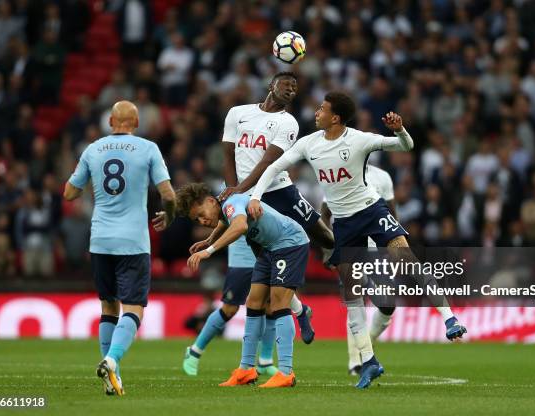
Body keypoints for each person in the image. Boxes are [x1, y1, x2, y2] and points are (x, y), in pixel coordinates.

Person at [248, 91, 467, 388]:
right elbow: (274, 167)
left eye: (322, 109)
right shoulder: (309, 144)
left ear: (335, 117)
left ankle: (449, 318)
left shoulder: (359, 140)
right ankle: (368, 361)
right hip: (345, 225)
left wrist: (399, 129)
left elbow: (406, 145)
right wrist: (257, 195)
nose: (316, 112)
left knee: (405, 258)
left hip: (371, 210)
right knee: (351, 296)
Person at [180, 71, 334, 377]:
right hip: (243, 196)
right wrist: (232, 192)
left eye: (295, 88)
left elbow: (269, 164)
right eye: (285, 85)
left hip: (277, 190)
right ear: (270, 85)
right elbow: (227, 154)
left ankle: (341, 261)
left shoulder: (288, 122)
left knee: (321, 235)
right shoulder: (238, 114)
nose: (291, 90)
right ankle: (260, 358)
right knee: (257, 296)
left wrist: (240, 192)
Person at [64, 101, 176, 396]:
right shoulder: (148, 148)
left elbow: (69, 192)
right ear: (136, 123)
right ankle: (112, 360)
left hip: (100, 239)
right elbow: (168, 194)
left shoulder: (93, 149)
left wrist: (91, 184)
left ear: (110, 120)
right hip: (133, 241)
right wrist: (171, 214)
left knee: (108, 305)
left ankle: (111, 378)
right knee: (134, 307)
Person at [162, 183, 309, 388]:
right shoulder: (224, 207)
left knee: (278, 303)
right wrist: (210, 238)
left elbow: (240, 226)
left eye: (201, 214)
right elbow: (227, 221)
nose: (202, 220)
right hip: (269, 248)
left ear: (211, 201)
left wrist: (209, 250)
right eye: (197, 219)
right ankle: (246, 370)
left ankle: (286, 372)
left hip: (289, 243)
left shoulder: (231, 202)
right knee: (253, 302)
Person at [321, 164, 397, 376]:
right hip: (350, 248)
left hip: (377, 252)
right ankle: (356, 361)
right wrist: (329, 248)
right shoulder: (337, 174)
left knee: (388, 302)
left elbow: (392, 215)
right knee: (355, 301)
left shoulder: (383, 176)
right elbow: (324, 214)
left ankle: (368, 341)